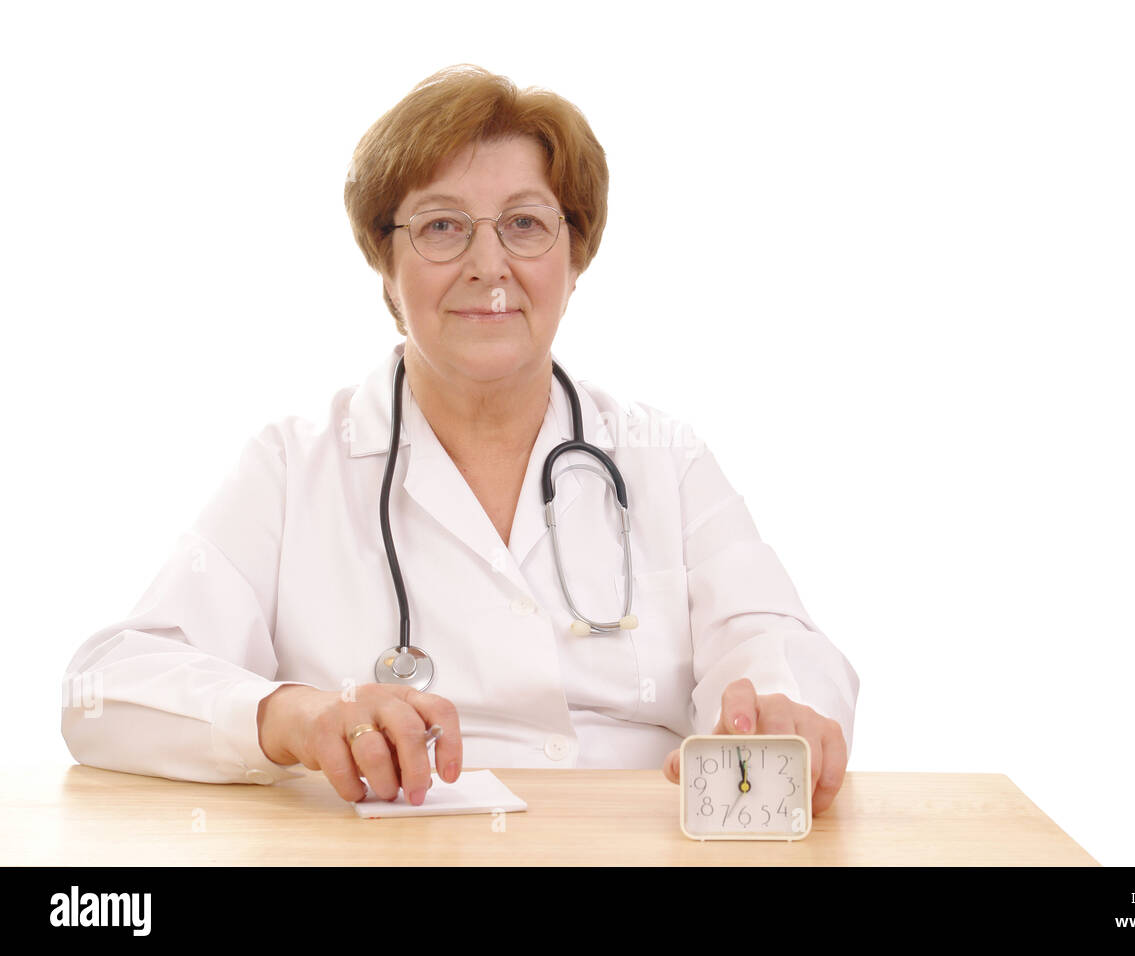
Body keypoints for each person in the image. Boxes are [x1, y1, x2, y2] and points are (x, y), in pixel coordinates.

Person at [61, 65, 859, 815]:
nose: (489, 263)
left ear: (574, 256)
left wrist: (775, 706)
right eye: (442, 225)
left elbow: (773, 640)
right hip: (395, 851)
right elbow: (106, 689)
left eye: (524, 223)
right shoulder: (293, 466)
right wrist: (293, 718)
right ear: (385, 261)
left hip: (627, 845)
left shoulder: (662, 459)